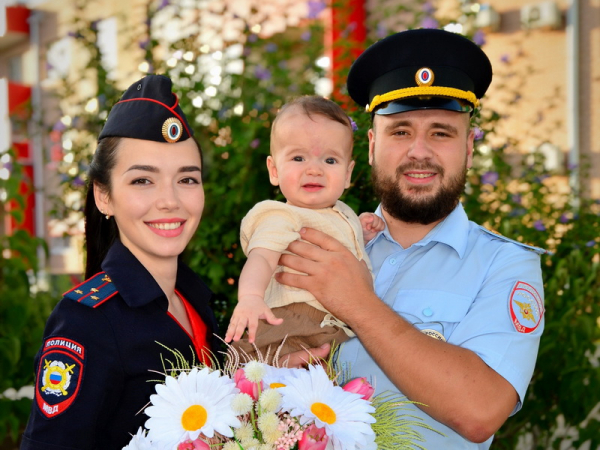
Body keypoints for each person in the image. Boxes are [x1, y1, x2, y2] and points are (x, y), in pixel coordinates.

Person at [274, 29, 546, 448]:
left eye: (441, 132)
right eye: (400, 131)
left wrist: (357, 303)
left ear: (469, 150)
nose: (419, 151)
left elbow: (480, 412)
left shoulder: (505, 264)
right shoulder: (313, 240)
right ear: (371, 146)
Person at [21, 75, 220, 449]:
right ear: (104, 196)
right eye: (143, 180)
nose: (170, 200)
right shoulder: (86, 322)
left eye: (187, 180)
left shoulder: (195, 300)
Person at [224, 95, 384, 363]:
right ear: (274, 170)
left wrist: (360, 233)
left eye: (330, 161)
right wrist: (250, 297)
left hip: (334, 327)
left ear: (347, 174)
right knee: (267, 375)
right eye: (298, 158)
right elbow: (261, 258)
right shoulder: (280, 217)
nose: (314, 170)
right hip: (290, 322)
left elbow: (342, 250)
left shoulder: (343, 212)